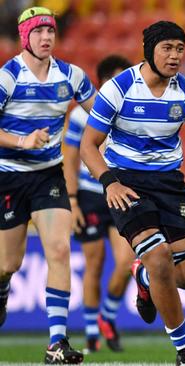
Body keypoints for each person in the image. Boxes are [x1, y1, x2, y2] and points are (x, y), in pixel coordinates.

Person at [79, 20, 185, 365]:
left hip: (170, 183)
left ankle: (143, 275)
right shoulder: (118, 89)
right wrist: (110, 182)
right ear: (149, 51)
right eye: (167, 48)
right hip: (126, 182)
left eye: (179, 49)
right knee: (160, 257)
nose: (175, 56)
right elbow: (88, 146)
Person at [0, 6, 96, 364]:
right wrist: (22, 141)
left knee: (58, 249)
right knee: (7, 263)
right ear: (25, 37)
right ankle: (1, 287)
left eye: (51, 32)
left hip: (48, 175)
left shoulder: (71, 76)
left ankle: (57, 342)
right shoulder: (7, 77)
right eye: (38, 32)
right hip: (8, 176)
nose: (46, 38)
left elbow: (101, 113)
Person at [62, 55, 133, 354]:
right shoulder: (82, 115)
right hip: (91, 194)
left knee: (128, 261)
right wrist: (73, 201)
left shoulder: (131, 113)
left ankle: (107, 315)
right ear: (101, 83)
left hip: (120, 191)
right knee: (94, 263)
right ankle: (92, 332)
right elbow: (69, 158)